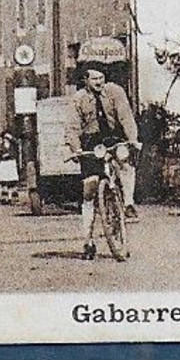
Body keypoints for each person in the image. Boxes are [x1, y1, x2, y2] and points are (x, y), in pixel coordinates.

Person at [70, 65, 139, 259]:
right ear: (85, 80)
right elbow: (73, 127)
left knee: (125, 163)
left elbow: (126, 117)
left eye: (101, 78)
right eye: (94, 79)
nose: (99, 82)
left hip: (113, 138)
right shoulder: (78, 99)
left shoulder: (115, 92)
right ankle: (87, 241)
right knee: (89, 189)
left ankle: (128, 202)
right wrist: (76, 149)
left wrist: (132, 139)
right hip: (91, 143)